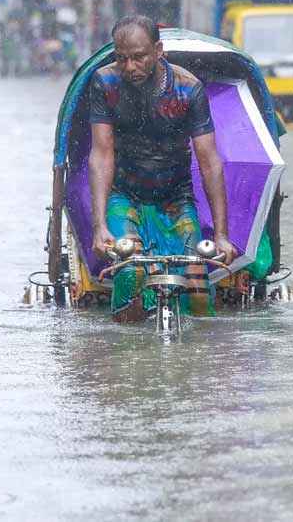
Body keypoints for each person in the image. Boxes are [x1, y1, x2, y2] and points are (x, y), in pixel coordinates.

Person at [88, 16, 237, 322]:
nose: (130, 67)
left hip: (175, 199)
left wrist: (221, 235)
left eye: (139, 57)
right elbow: (102, 154)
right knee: (129, 273)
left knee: (197, 283)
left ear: (158, 51)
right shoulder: (105, 83)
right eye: (122, 58)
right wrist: (99, 225)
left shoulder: (188, 89)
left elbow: (209, 161)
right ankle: (126, 356)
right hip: (124, 196)